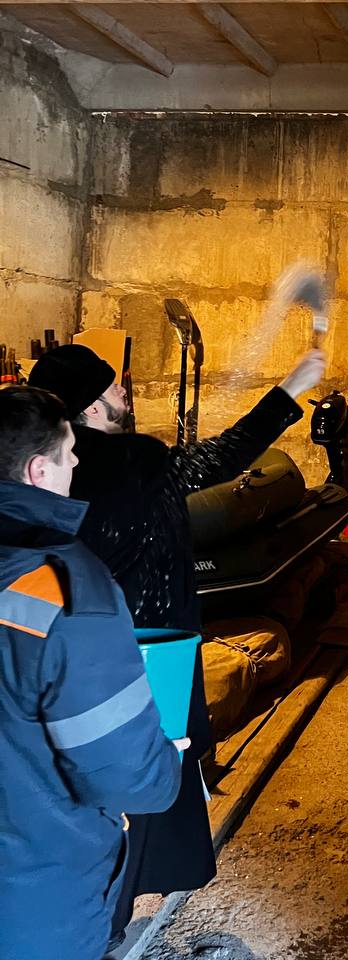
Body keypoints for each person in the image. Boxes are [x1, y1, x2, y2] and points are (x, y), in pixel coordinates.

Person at [29, 342, 326, 947]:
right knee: (143, 786)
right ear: (92, 406)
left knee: (89, 787)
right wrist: (289, 391)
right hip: (153, 651)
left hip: (81, 656)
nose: (125, 392)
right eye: (114, 386)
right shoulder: (139, 463)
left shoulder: (52, 474)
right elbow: (224, 456)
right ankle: (106, 923)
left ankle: (93, 917)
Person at [0, 385, 185, 960]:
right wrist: (168, 762)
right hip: (33, 899)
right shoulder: (69, 593)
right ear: (38, 471)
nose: (77, 462)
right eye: (68, 452)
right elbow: (130, 776)